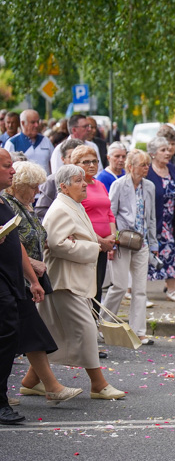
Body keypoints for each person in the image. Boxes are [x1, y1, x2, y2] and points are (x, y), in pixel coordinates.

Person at [38, 164, 125, 400]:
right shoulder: (60, 209)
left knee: (55, 332)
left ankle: (30, 380)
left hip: (72, 278)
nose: (84, 184)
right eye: (78, 181)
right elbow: (56, 244)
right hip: (65, 280)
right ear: (63, 186)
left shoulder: (72, 204)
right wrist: (93, 248)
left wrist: (94, 242)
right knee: (86, 329)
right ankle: (98, 383)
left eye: (83, 180)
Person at [5, 161, 83, 405]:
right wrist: (31, 265)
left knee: (27, 333)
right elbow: (13, 243)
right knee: (29, 332)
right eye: (33, 186)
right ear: (19, 185)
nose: (38, 191)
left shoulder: (24, 206)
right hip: (14, 278)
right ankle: (49, 386)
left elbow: (29, 238)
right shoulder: (10, 205)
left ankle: (37, 385)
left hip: (23, 278)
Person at [0, 150, 48, 424]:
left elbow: (16, 243)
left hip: (12, 280)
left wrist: (31, 279)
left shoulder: (4, 203)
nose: (12, 171)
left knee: (9, 337)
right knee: (7, 333)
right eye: (7, 166)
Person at [100, 149, 157, 345]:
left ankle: (139, 331)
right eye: (143, 164)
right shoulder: (118, 185)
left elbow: (151, 217)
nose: (147, 168)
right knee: (120, 286)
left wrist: (154, 243)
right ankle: (103, 324)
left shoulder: (149, 186)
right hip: (122, 242)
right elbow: (111, 214)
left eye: (148, 164)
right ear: (130, 167)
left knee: (140, 289)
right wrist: (112, 241)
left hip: (142, 243)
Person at [70, 146, 117, 308]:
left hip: (104, 245)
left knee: (98, 287)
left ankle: (95, 326)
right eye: (86, 162)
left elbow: (109, 212)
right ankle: (86, 327)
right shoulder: (76, 188)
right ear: (75, 164)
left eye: (94, 161)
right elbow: (77, 218)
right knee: (87, 288)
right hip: (88, 244)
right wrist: (99, 241)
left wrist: (112, 236)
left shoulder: (99, 184)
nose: (92, 165)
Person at [146, 136, 175, 302]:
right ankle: (134, 290)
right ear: (153, 154)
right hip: (154, 220)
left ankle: (171, 288)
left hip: (170, 221)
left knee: (171, 251)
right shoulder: (148, 171)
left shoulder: (171, 168)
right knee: (150, 254)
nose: (168, 152)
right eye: (163, 150)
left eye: (168, 149)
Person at [35, 138, 84, 220]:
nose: (75, 161)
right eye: (71, 157)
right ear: (63, 159)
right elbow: (40, 210)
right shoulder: (53, 180)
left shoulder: (90, 180)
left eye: (79, 157)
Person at [4, 109, 54, 173]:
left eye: (38, 122)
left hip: (45, 182)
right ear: (23, 123)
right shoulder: (12, 143)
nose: (36, 125)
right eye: (33, 122)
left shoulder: (45, 141)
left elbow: (52, 163)